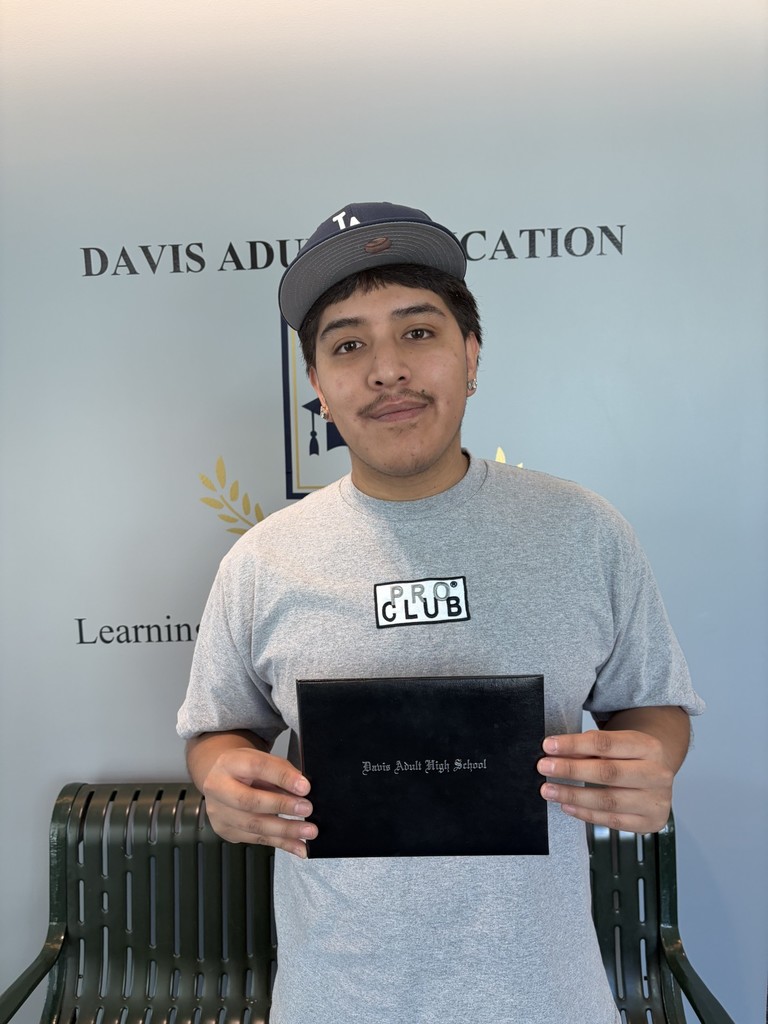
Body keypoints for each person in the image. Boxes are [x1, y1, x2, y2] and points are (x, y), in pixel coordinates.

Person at [177, 201, 704, 1024]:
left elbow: (655, 708)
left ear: (471, 354)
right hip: (337, 999)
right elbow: (222, 730)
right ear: (316, 384)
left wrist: (653, 762)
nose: (385, 369)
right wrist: (220, 776)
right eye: (347, 344)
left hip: (546, 997)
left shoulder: (582, 530)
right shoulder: (262, 561)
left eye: (417, 332)